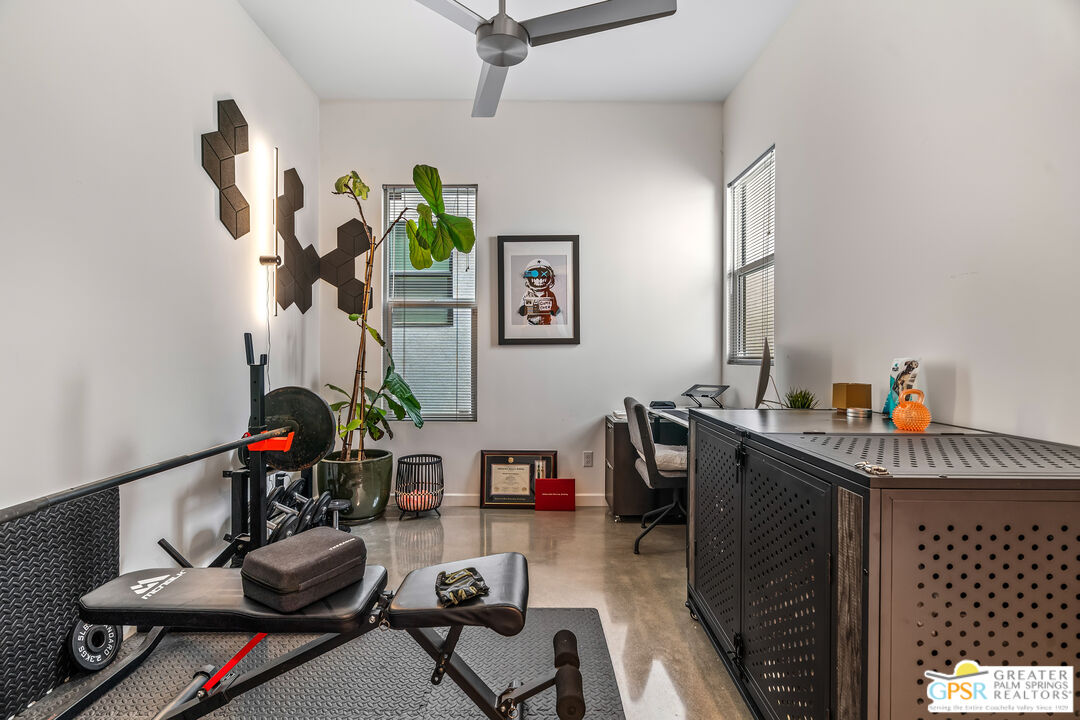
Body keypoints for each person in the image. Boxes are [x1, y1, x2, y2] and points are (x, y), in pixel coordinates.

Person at [517, 258, 560, 326]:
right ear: (529, 279)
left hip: (546, 324)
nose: (539, 280)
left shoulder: (550, 294)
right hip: (531, 324)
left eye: (543, 277)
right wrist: (528, 307)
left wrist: (553, 310)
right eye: (535, 278)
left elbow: (555, 312)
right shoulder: (527, 294)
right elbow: (522, 312)